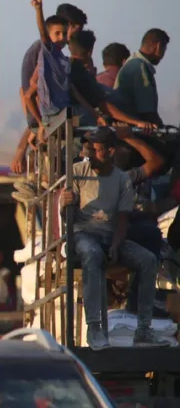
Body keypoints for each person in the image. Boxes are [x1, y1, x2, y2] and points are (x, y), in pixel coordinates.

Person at [62, 127, 172, 349]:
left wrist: (115, 244)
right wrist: (66, 204)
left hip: (110, 235)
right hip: (83, 234)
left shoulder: (122, 180)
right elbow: (67, 218)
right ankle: (94, 328)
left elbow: (122, 219)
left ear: (110, 151)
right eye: (89, 150)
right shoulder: (77, 171)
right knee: (92, 254)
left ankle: (143, 330)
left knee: (148, 260)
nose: (91, 155)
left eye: (97, 150)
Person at [10, 0, 84, 174]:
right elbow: (29, 93)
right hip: (48, 121)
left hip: (53, 119)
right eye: (73, 29)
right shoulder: (44, 50)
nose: (68, 37)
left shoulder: (60, 57)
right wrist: (36, 126)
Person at [113, 29, 170, 126]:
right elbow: (148, 113)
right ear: (158, 46)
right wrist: (162, 129)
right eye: (164, 49)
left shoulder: (134, 63)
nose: (163, 55)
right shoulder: (140, 68)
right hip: (134, 128)